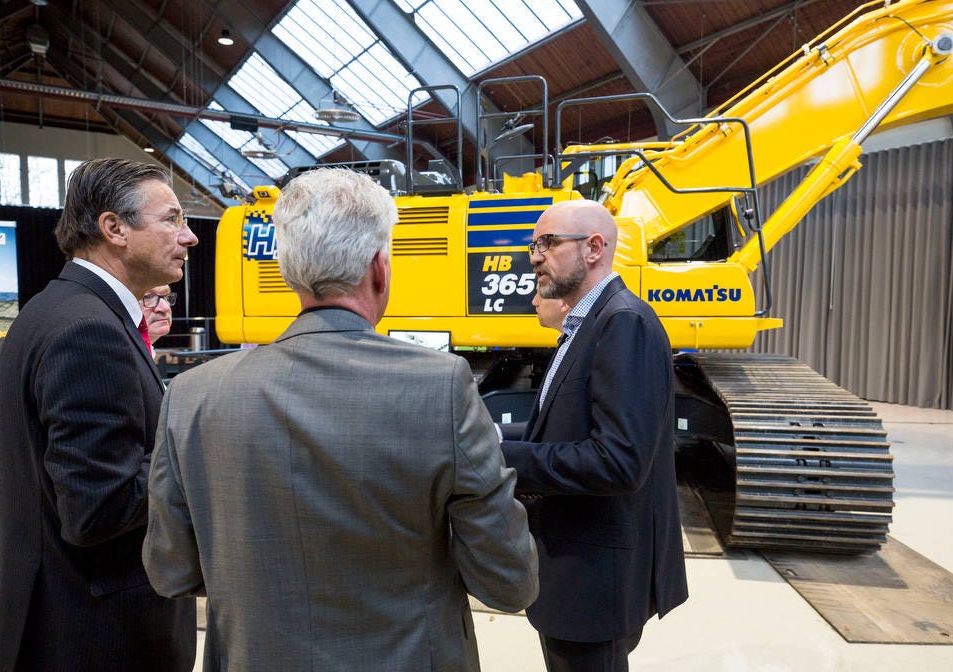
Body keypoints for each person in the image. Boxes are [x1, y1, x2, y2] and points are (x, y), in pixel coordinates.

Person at [142, 167, 539, 671]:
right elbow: (508, 581)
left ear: (289, 271)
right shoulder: (439, 387)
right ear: (380, 267)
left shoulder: (192, 396)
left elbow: (171, 572)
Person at [0, 157, 199, 671]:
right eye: (172, 219)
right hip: (101, 631)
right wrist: (199, 455)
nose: (190, 236)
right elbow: (97, 508)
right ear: (114, 229)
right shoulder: (89, 331)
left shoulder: (52, 310)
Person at [501, 199, 688, 671]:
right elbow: (569, 426)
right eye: (533, 245)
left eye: (547, 243)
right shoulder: (589, 324)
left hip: (596, 578)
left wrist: (500, 456)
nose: (535, 256)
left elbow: (619, 460)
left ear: (594, 248)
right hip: (577, 570)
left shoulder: (623, 323)